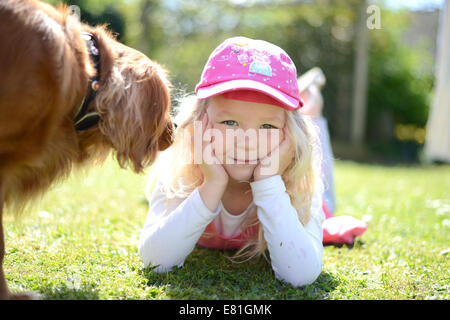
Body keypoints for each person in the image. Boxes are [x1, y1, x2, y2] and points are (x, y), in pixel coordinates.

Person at [139, 36, 356, 288]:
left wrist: (268, 182)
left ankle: (312, 105)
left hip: (297, 183)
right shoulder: (180, 174)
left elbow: (299, 275)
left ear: (289, 135)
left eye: (267, 125)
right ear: (199, 122)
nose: (246, 142)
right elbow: (156, 260)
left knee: (326, 191)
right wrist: (212, 184)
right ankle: (299, 97)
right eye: (229, 122)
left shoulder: (299, 187)